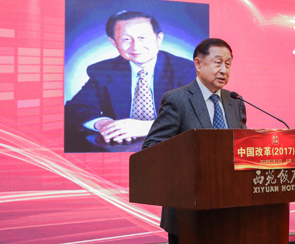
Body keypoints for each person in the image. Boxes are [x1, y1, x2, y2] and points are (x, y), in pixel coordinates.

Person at [142, 38, 247, 244]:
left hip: (229, 210)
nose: (224, 70)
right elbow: (152, 148)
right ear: (198, 64)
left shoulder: (235, 101)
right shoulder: (177, 100)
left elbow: (242, 148)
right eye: (218, 62)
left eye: (228, 64)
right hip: (188, 211)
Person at [64, 10, 196, 151]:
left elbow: (196, 113)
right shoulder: (103, 71)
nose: (136, 46)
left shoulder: (186, 69)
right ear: (113, 42)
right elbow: (75, 108)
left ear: (159, 38)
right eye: (126, 39)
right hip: (121, 148)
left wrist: (147, 127)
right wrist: (104, 124)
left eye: (142, 38)